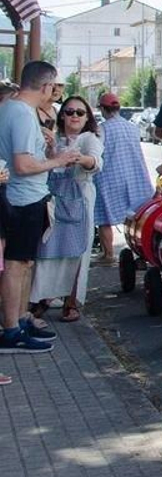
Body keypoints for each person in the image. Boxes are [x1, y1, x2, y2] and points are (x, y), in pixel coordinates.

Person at [0, 61, 81, 353]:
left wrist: (46, 148)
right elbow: (22, 165)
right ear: (46, 86)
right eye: (54, 87)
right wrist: (58, 160)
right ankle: (10, 329)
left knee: (25, 263)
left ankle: (19, 320)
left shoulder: (13, 108)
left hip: (25, 197)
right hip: (23, 199)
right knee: (17, 265)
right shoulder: (21, 113)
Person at [33, 96, 103, 323]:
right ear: (62, 114)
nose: (74, 116)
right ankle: (43, 296)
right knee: (47, 247)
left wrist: (81, 159)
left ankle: (71, 301)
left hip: (79, 199)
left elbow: (96, 162)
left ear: (87, 118)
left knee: (78, 251)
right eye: (70, 111)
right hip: (53, 199)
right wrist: (52, 149)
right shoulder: (53, 137)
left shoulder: (89, 138)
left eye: (80, 113)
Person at [94, 92, 153, 258]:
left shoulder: (102, 129)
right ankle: (142, 253)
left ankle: (108, 254)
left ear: (103, 109)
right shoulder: (132, 128)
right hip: (135, 177)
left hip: (109, 179)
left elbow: (97, 153)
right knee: (138, 217)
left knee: (104, 218)